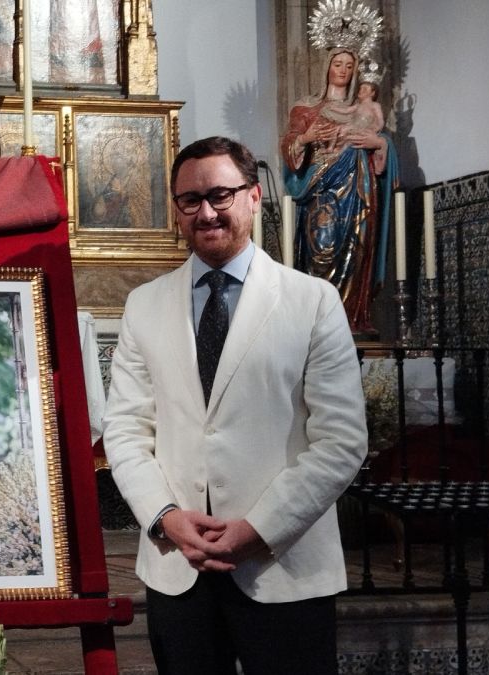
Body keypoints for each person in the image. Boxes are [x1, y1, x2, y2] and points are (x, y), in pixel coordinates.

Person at [104, 136, 367, 674]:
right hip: (179, 565)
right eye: (189, 200)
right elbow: (126, 430)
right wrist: (165, 517)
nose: (206, 212)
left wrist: (261, 528)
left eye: (221, 195)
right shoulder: (144, 305)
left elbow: (341, 441)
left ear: (252, 197)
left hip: (283, 563)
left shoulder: (312, 301)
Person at [281, 48, 397, 335]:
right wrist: (307, 137)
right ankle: (318, 324)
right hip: (321, 193)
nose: (343, 70)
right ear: (326, 67)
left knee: (357, 251)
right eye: (337, 64)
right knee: (321, 251)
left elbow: (381, 146)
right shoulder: (306, 108)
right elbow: (289, 145)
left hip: (360, 193)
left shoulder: (364, 110)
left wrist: (379, 144)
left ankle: (354, 318)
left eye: (349, 65)